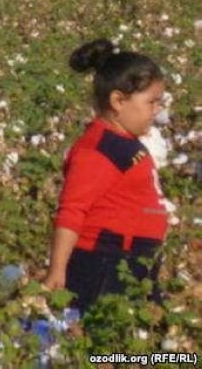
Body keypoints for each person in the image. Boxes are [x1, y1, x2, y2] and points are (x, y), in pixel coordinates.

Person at [41, 38, 170, 313]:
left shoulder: (124, 143)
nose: (156, 110)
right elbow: (72, 211)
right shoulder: (97, 150)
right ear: (118, 101)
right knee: (103, 348)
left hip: (133, 260)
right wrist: (57, 270)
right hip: (103, 264)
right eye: (151, 102)